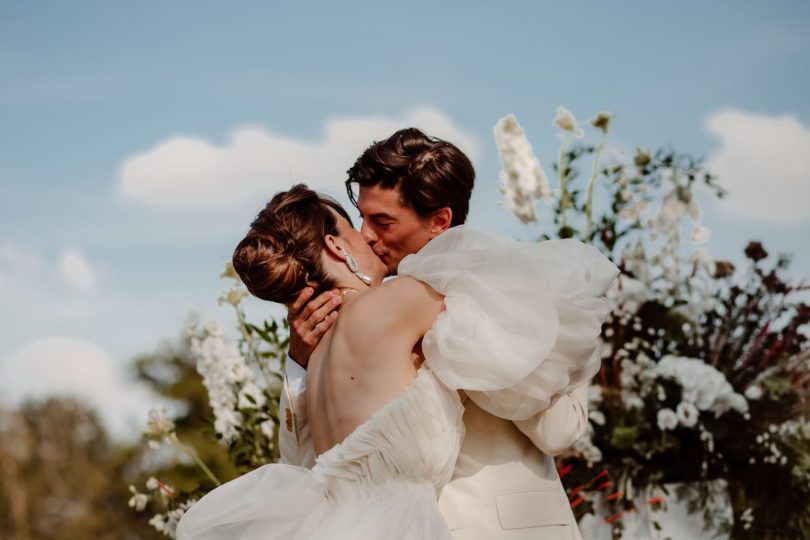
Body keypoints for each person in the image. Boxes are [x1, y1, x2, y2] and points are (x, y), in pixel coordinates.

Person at [176, 183, 618, 540]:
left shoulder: (324, 347)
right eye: (355, 226)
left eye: (380, 221)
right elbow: (546, 311)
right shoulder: (408, 301)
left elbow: (304, 472)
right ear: (335, 245)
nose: (367, 236)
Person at [280, 128, 618, 539]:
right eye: (362, 218)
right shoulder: (360, 318)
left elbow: (559, 431)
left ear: (439, 221)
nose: (366, 235)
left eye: (382, 221)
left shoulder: (525, 293)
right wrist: (301, 362)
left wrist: (467, 338)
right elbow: (306, 470)